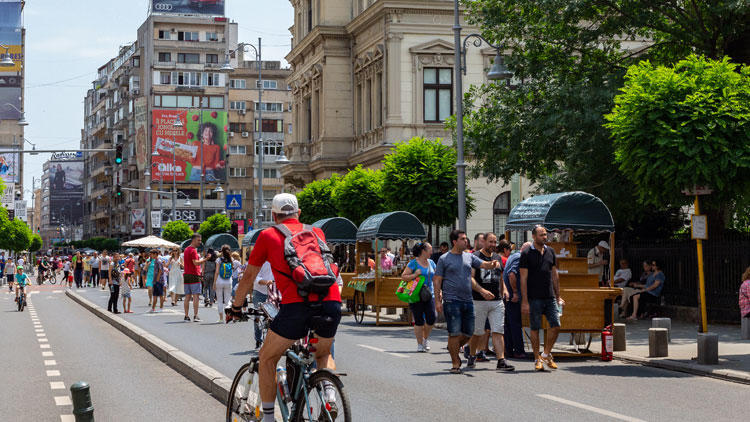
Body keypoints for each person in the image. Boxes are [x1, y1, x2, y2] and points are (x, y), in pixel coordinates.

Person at [231, 193, 341, 422]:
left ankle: (270, 418)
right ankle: (330, 396)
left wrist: (236, 306)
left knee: (267, 358)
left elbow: (249, 276)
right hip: (330, 301)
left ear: (273, 215)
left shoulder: (268, 235)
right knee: (323, 353)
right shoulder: (316, 232)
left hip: (297, 306)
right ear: (298, 213)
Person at [434, 229, 501, 374]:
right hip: (452, 300)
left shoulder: (469, 257)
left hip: (468, 300)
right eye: (463, 239)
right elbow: (437, 279)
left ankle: (454, 347)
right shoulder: (444, 259)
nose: (466, 241)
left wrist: (492, 264)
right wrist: (437, 301)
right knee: (454, 332)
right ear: (455, 241)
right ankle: (455, 362)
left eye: (466, 239)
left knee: (470, 332)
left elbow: (483, 264)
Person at [467, 233, 515, 372]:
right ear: (483, 242)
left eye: (495, 242)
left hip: (496, 301)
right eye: (490, 242)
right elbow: (470, 278)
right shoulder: (475, 256)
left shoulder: (498, 257)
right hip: (479, 300)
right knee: (477, 332)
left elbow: (500, 277)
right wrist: (482, 291)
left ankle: (501, 360)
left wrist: (504, 289)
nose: (493, 245)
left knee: (498, 330)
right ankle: (471, 355)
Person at [521, 226, 563, 372]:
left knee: (556, 325)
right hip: (534, 297)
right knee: (535, 328)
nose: (544, 237)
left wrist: (558, 295)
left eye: (545, 234)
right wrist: (525, 301)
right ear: (534, 236)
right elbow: (523, 278)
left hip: (550, 295)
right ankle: (536, 359)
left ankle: (545, 354)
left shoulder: (550, 251)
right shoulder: (526, 252)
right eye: (541, 235)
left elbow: (554, 274)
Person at [400, 242, 436, 352]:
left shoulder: (431, 263)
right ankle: (420, 344)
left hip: (430, 294)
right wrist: (415, 274)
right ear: (423, 251)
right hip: (416, 294)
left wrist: (439, 291)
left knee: (431, 318)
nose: (432, 251)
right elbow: (404, 277)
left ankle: (425, 339)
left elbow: (436, 278)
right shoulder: (413, 263)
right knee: (419, 320)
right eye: (430, 249)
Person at [504, 241, 530, 359]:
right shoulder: (520, 258)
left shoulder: (513, 256)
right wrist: (515, 292)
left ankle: (509, 350)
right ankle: (518, 350)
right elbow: (512, 275)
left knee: (509, 324)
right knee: (515, 323)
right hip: (512, 295)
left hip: (507, 295)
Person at [251, 261, 275, 348]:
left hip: (274, 292)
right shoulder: (261, 261)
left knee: (274, 316)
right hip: (259, 291)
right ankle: (258, 339)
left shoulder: (279, 259)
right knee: (257, 316)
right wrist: (265, 282)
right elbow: (255, 277)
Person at [183, 234, 207, 322]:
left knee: (187, 296)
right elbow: (196, 263)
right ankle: (195, 315)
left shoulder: (186, 249)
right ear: (193, 240)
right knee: (196, 296)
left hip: (186, 275)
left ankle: (186, 316)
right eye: (198, 240)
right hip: (194, 275)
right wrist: (205, 259)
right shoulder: (193, 250)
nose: (200, 242)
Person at [213, 245, 235, 323]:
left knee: (219, 300)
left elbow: (217, 272)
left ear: (221, 251)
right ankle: (228, 316)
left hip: (219, 280)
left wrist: (214, 283)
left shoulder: (218, 260)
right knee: (227, 300)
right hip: (228, 281)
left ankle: (221, 319)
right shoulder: (231, 259)